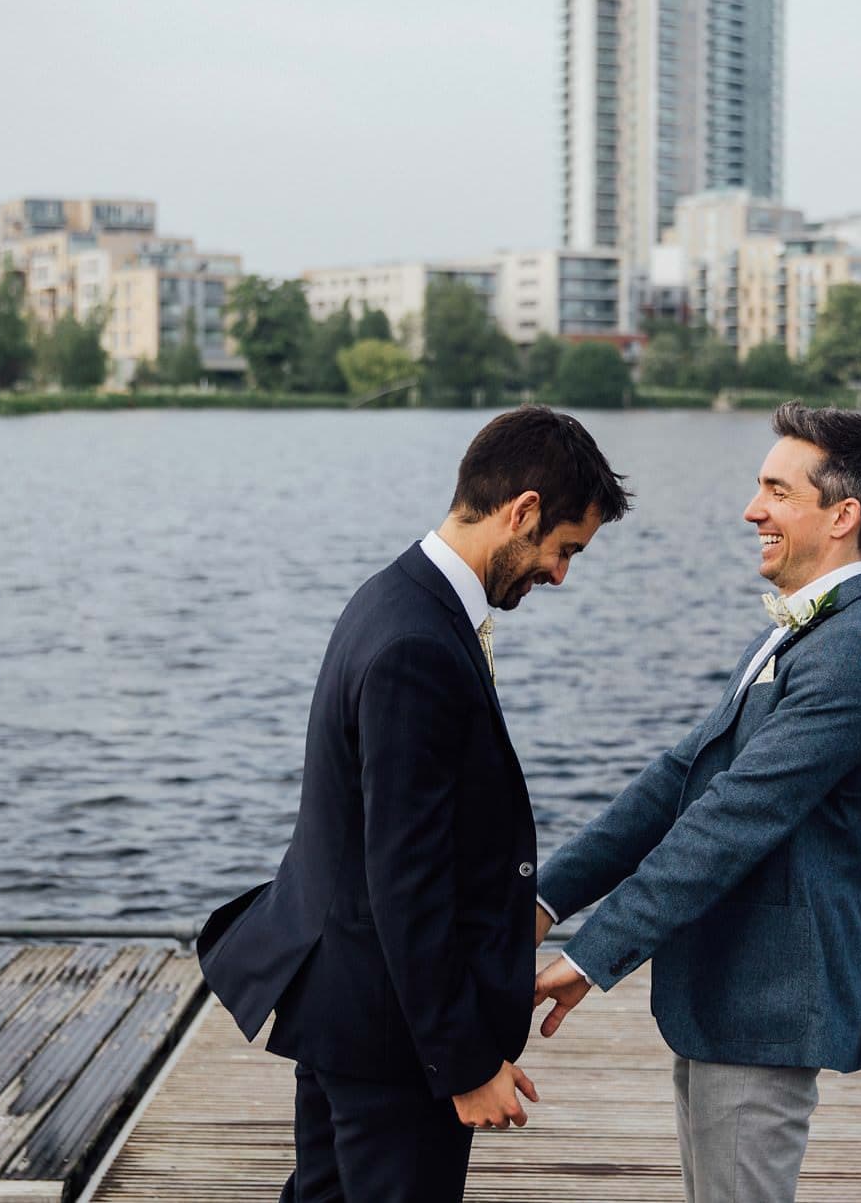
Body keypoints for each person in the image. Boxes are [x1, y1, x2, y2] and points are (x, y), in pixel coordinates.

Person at [198, 406, 631, 1203]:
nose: (560, 574)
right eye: (563, 550)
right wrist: (462, 1063)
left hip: (350, 1013)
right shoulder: (417, 646)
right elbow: (408, 878)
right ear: (523, 510)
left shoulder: (395, 597)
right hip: (391, 1041)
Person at [531, 401, 861, 1203]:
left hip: (767, 1002)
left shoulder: (857, 653)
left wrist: (592, 954)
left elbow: (731, 819)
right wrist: (545, 897)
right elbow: (679, 778)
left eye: (777, 490)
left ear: (842, 514)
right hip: (726, 990)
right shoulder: (792, 633)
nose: (752, 509)